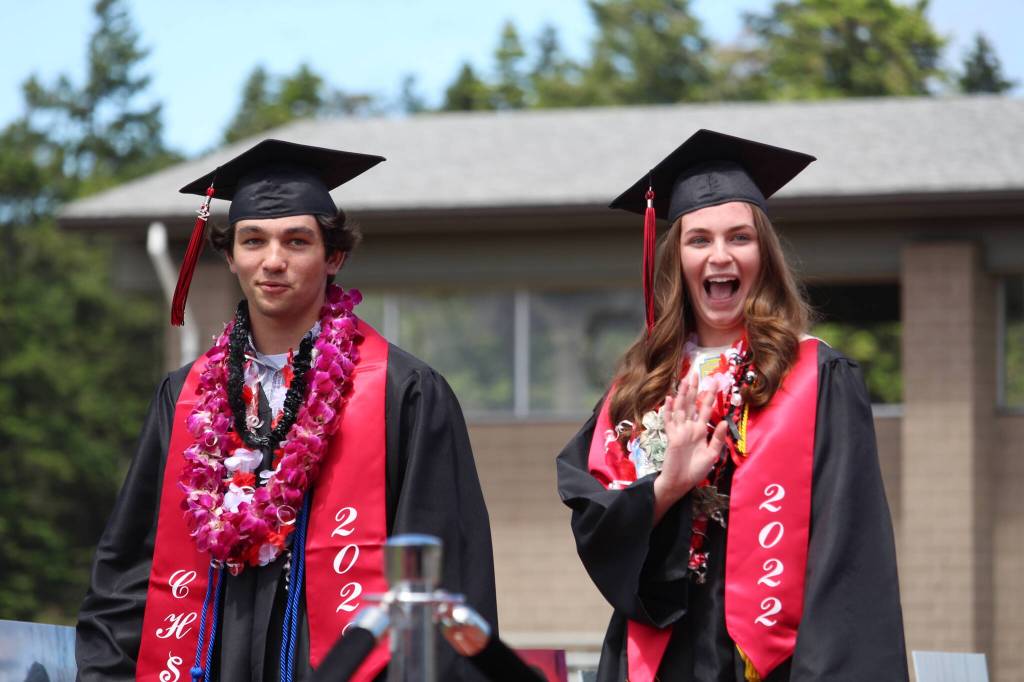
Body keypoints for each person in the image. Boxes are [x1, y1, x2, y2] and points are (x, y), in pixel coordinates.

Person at [75, 139, 497, 682]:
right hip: (209, 659)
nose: (273, 260)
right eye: (254, 240)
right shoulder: (185, 397)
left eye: (297, 241)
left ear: (334, 256)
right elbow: (131, 567)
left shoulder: (403, 390)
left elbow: (440, 572)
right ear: (230, 256)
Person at [556, 130, 907, 681]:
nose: (720, 256)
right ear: (676, 260)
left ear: (762, 254)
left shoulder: (816, 379)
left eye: (739, 237)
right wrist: (667, 488)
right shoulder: (641, 387)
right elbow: (596, 529)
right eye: (699, 240)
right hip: (661, 654)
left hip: (778, 659)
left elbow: (846, 556)